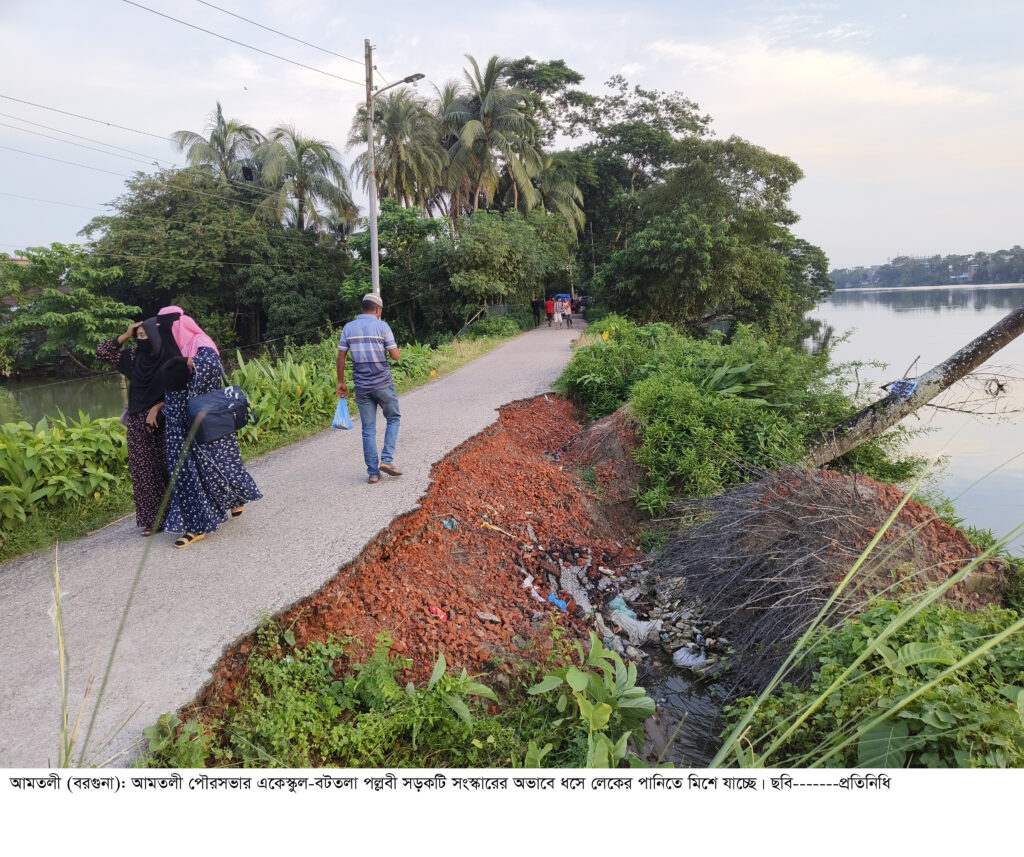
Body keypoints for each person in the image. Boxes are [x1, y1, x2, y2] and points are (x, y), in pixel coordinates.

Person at [156, 306, 262, 548]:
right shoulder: (164, 349)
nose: (162, 331)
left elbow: (212, 366)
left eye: (165, 325)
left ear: (177, 323)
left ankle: (236, 497)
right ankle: (197, 525)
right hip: (175, 417)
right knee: (183, 469)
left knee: (219, 463)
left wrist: (187, 361)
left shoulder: (198, 341)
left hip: (203, 413)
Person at [96, 318, 170, 537]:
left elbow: (182, 386)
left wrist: (158, 408)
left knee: (169, 466)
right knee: (143, 472)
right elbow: (102, 352)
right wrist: (127, 334)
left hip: (166, 416)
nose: (141, 340)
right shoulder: (133, 357)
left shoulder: (168, 356)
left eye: (144, 336)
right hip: (138, 420)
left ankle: (178, 512)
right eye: (138, 337)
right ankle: (153, 519)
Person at [337, 293, 402, 484]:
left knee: (368, 429)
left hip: (362, 387)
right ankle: (387, 461)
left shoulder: (348, 328)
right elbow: (395, 356)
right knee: (394, 417)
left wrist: (340, 382)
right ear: (378, 310)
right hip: (382, 384)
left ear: (363, 308)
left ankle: (373, 473)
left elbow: (341, 357)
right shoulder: (382, 326)